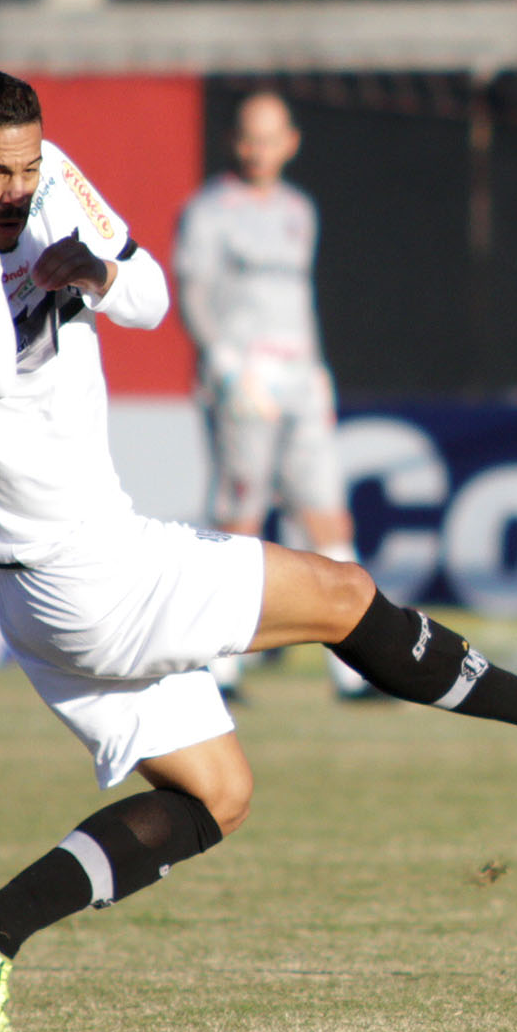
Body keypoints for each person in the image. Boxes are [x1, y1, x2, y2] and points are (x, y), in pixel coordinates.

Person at [0, 66, 517, 1032]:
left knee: (217, 794)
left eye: (27, 165)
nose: (19, 189)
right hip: (83, 575)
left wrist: (100, 273)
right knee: (339, 591)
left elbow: (148, 296)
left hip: (64, 574)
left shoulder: (46, 179)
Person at [173, 92, 369, 700]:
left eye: (271, 137)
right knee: (241, 514)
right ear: (237, 142)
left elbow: (297, 300)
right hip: (244, 378)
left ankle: (352, 672)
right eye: (249, 138)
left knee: (327, 513)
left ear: (291, 141)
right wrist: (225, 361)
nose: (260, 150)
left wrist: (315, 369)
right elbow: (194, 290)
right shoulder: (210, 211)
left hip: (299, 376)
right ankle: (219, 666)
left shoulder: (298, 209)